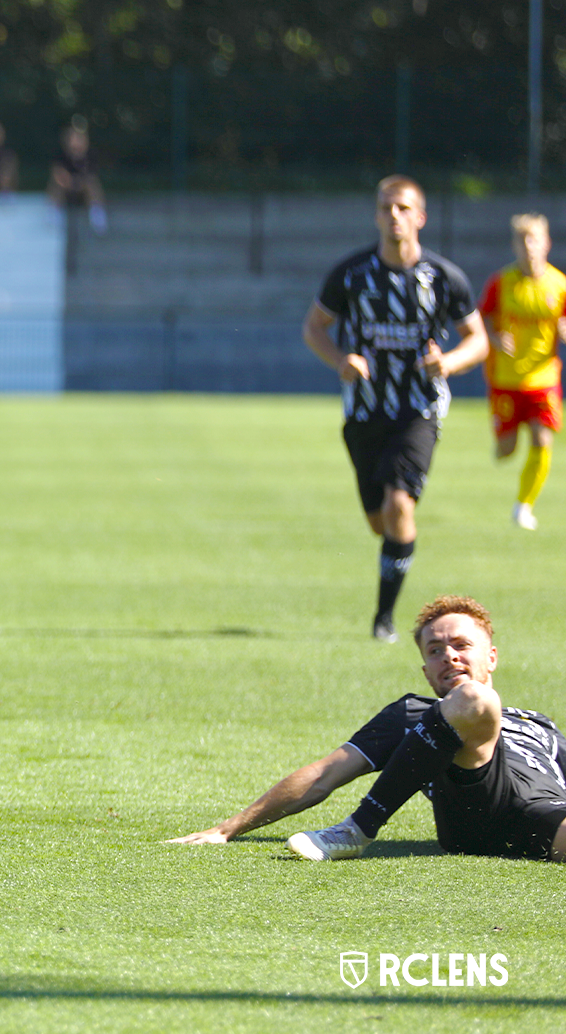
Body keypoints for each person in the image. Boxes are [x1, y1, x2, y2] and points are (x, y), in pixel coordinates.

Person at [167, 595, 566, 863]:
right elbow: (325, 774)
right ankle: (357, 829)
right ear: (425, 670)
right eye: (435, 651)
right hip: (477, 809)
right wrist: (229, 828)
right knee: (475, 701)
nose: (449, 656)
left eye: (462, 646)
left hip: (544, 820)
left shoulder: (537, 722)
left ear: (491, 656)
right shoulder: (411, 712)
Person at [301, 175, 488, 644]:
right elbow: (314, 328)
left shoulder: (443, 277)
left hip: (418, 410)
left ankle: (384, 619)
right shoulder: (351, 274)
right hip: (364, 412)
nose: (394, 216)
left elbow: (478, 341)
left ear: (420, 217)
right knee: (379, 522)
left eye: (403, 208)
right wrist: (341, 359)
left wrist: (446, 363)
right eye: (386, 208)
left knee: (399, 504)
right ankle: (393, 559)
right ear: (377, 215)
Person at [476, 214, 566, 530]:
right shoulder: (501, 283)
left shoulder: (560, 285)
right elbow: (480, 319)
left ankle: (524, 507)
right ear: (514, 245)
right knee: (507, 450)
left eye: (535, 240)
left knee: (543, 441)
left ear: (547, 243)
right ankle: (501, 441)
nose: (529, 247)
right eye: (522, 240)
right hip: (506, 379)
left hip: (544, 379)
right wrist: (496, 337)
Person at [47, 120, 108, 235]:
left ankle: (97, 216)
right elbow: (58, 172)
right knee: (55, 185)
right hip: (66, 188)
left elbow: (91, 175)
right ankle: (54, 215)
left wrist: (78, 183)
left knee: (93, 185)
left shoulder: (91, 155)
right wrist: (67, 181)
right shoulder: (60, 156)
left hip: (83, 189)